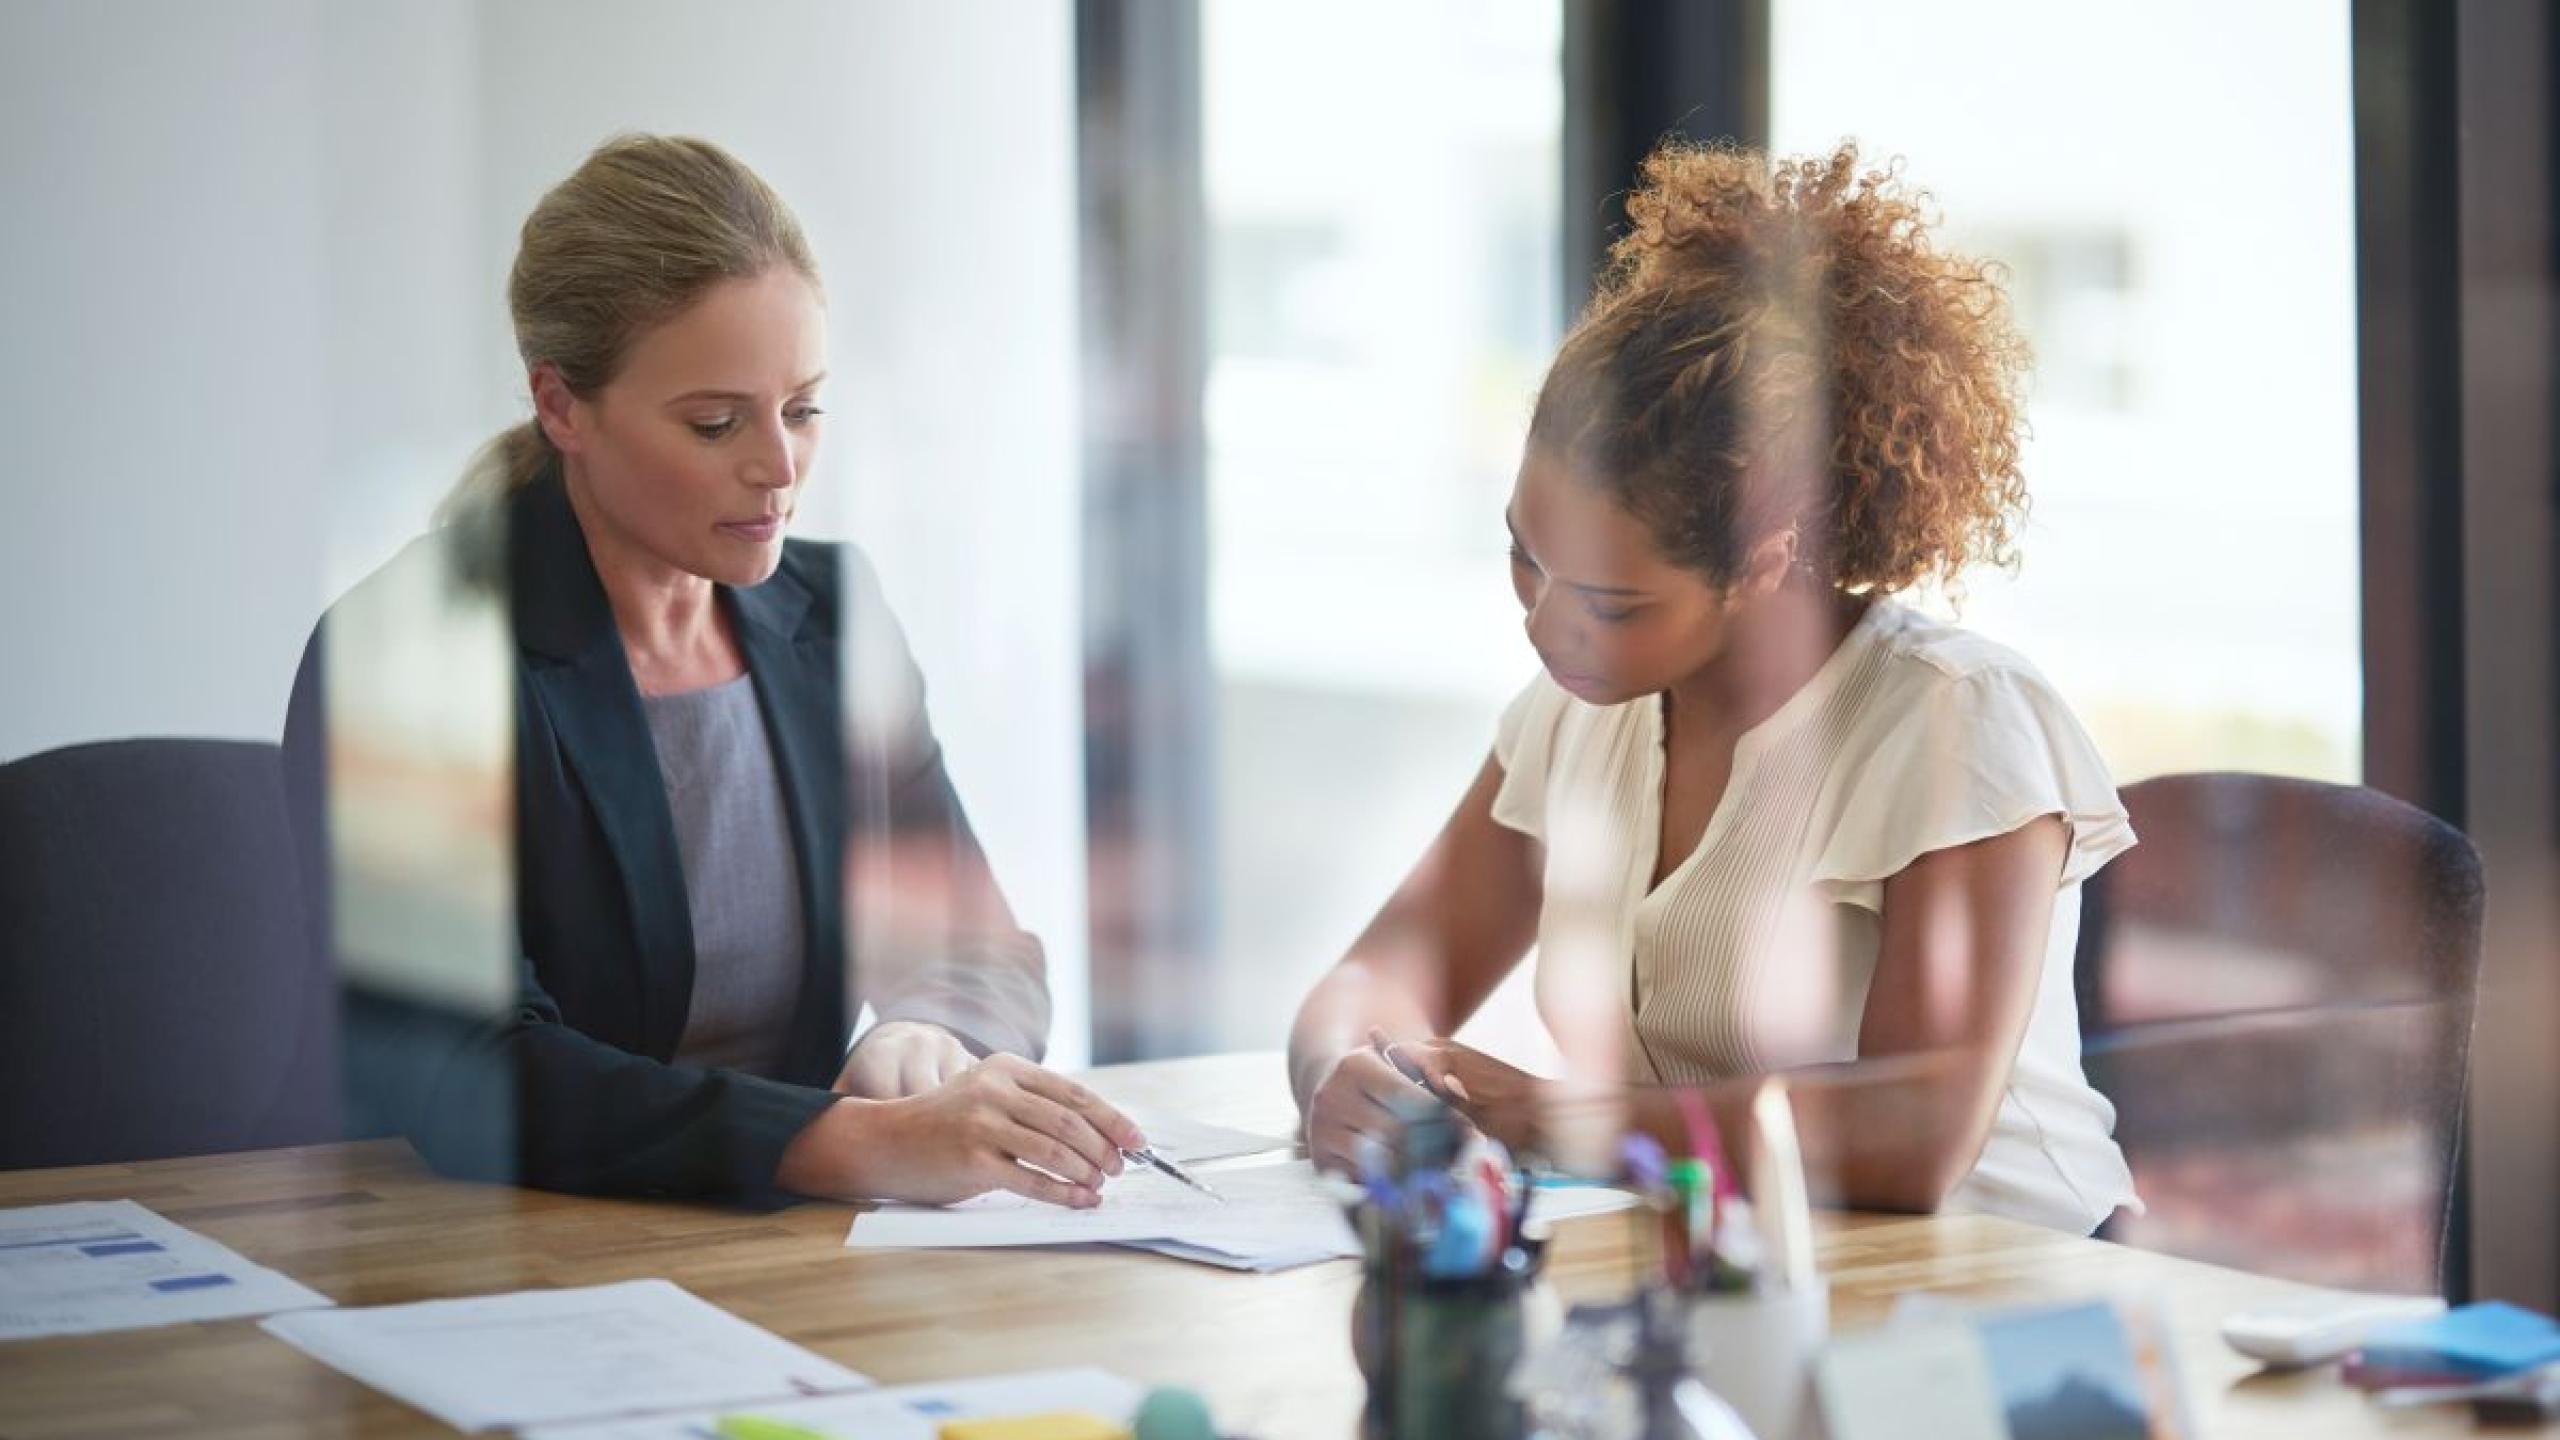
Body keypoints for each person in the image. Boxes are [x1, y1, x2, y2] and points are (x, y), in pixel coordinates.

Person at [1288, 141, 2141, 1235]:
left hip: (2001, 1293)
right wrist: (1348, 1072)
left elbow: (1917, 1134)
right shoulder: (1572, 716)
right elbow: (1376, 974)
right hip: (1738, 1274)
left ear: (1766, 561)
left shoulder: (1950, 716)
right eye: (1524, 559)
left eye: (1612, 602)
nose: (1546, 625)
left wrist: (1554, 1117)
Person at [284, 134, 1140, 1208]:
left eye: (803, 408)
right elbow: (470, 1068)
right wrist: (845, 1141)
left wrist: (927, 1036)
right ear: (561, 407)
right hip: (476, 1256)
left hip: (766, 1262)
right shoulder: (407, 652)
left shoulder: (832, 614)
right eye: (716, 422)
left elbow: (984, 951)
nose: (778, 467)